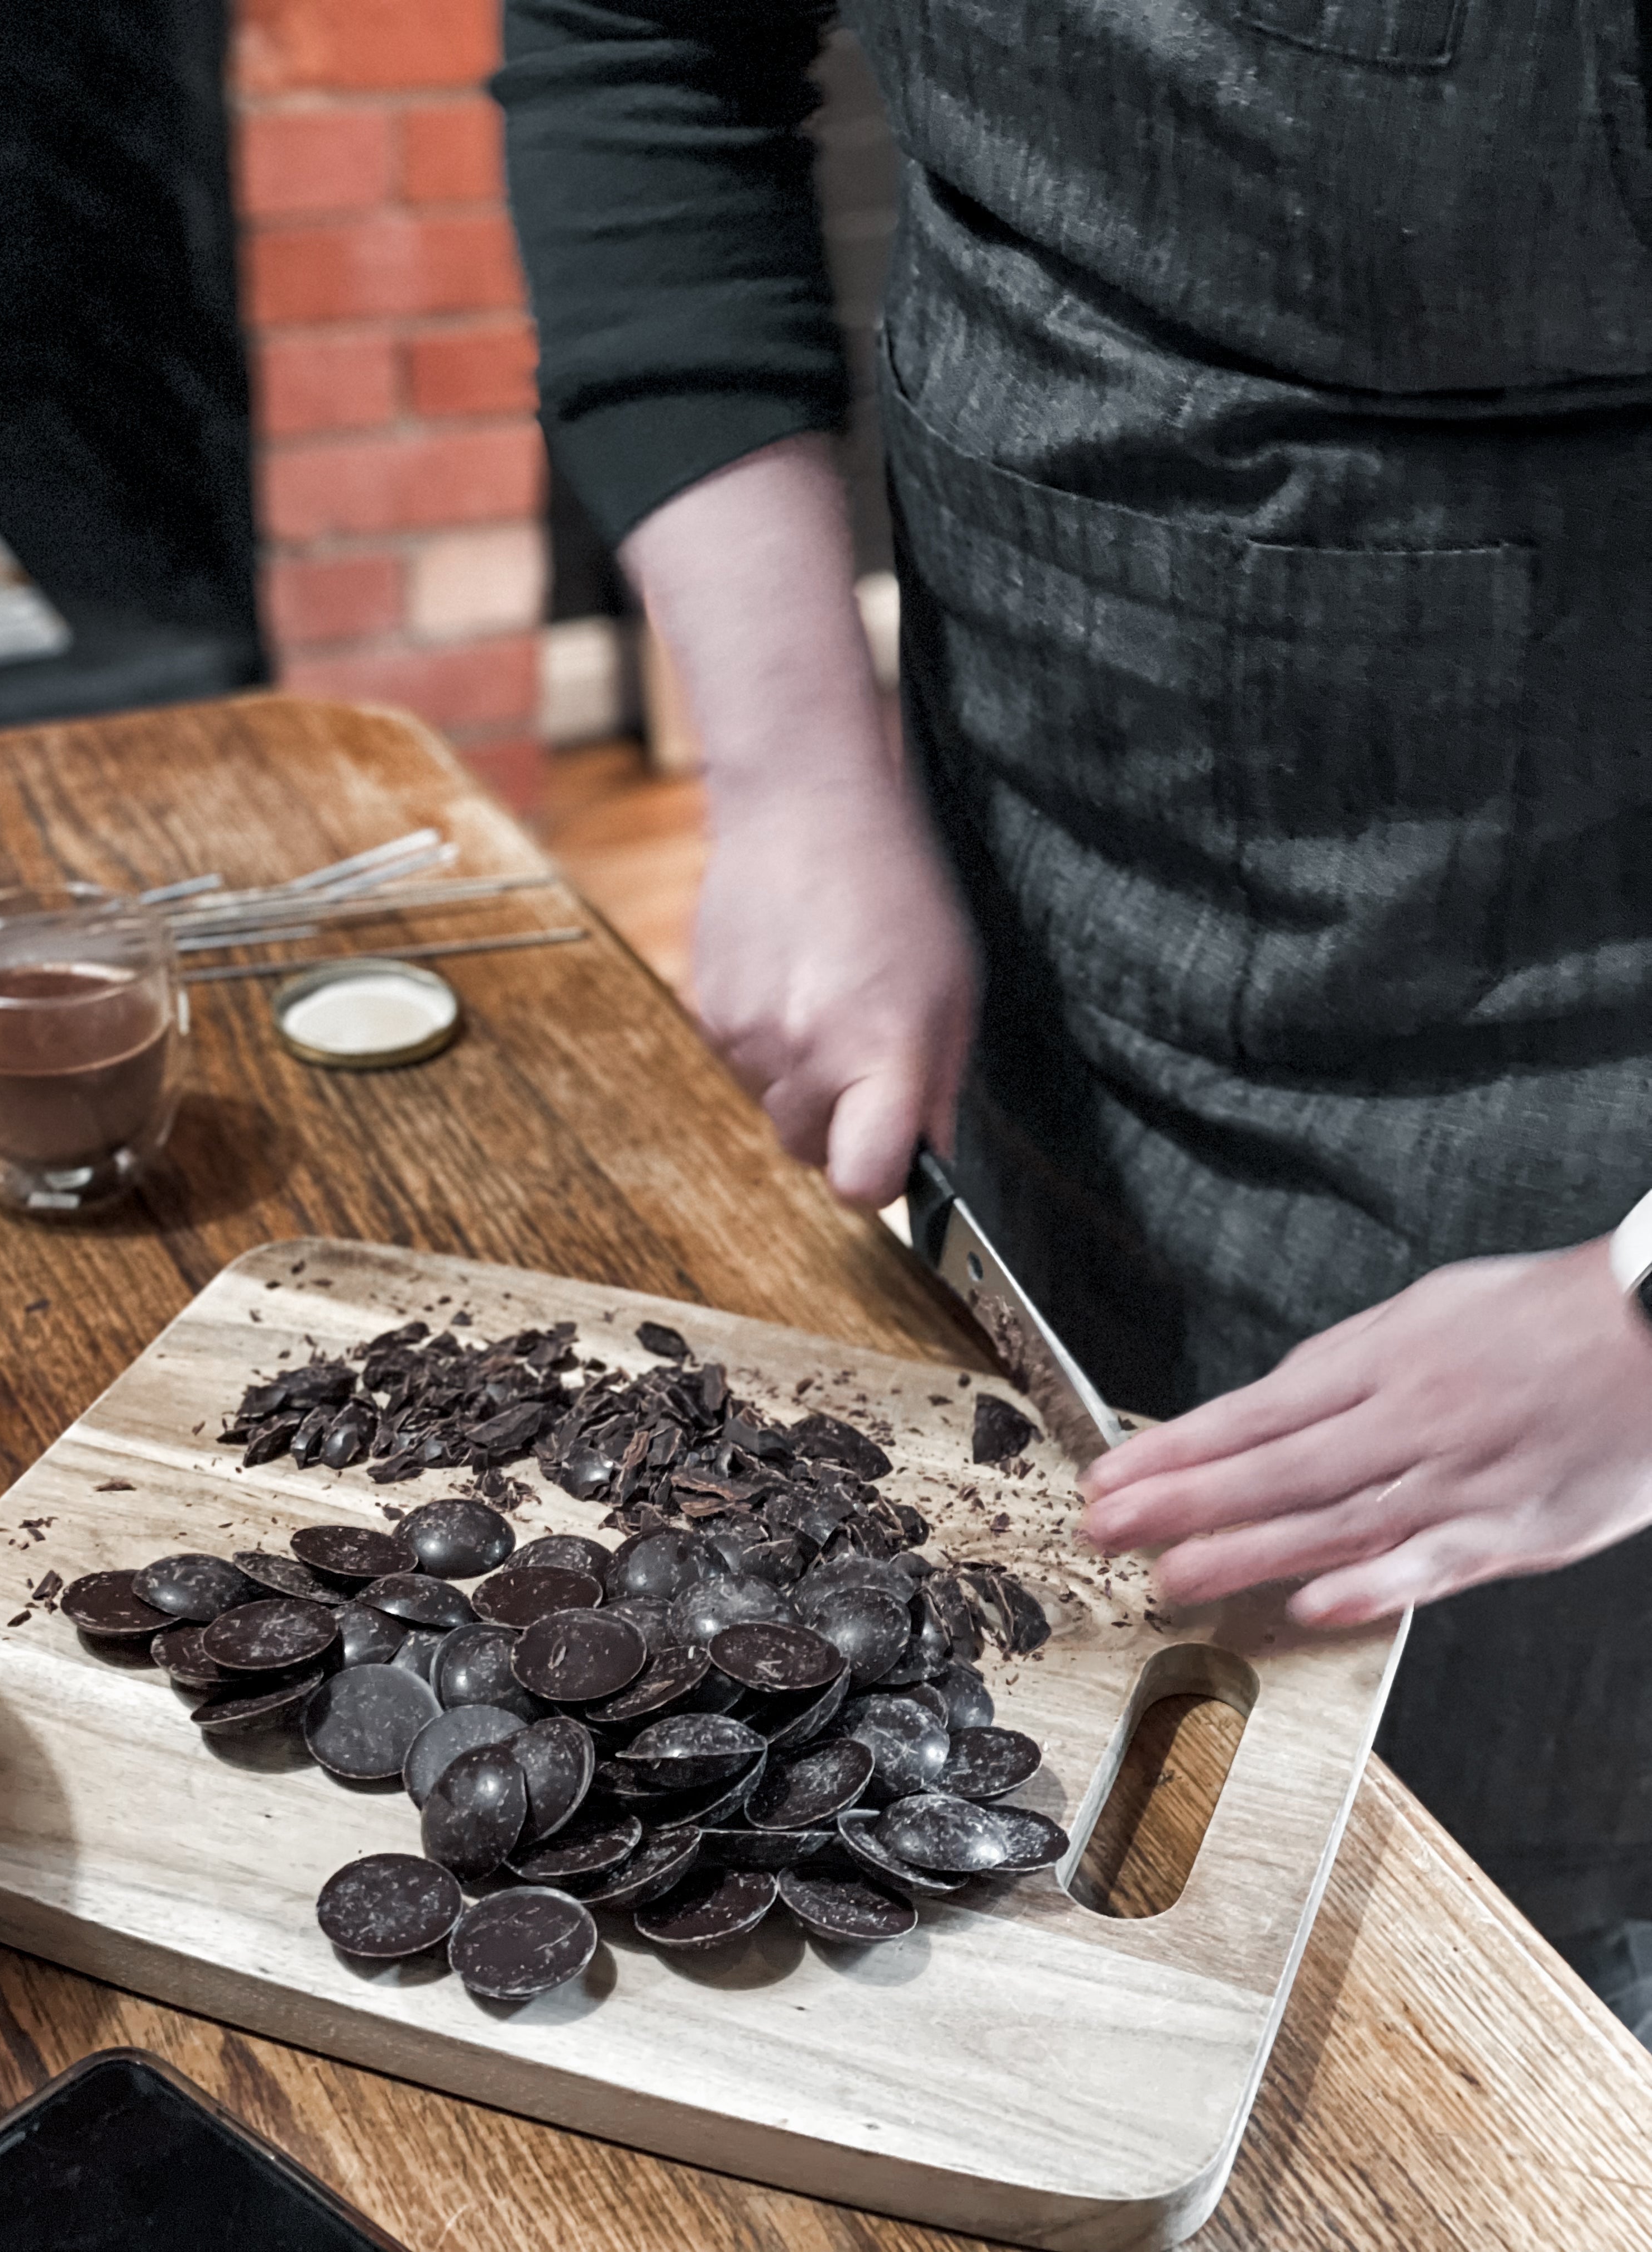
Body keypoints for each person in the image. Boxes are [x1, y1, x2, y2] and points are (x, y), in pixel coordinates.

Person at [496, 0, 1652, 2029]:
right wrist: (790, 770)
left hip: (1585, 1057)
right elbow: (636, 42)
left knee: (1479, 1968)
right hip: (1035, 841)